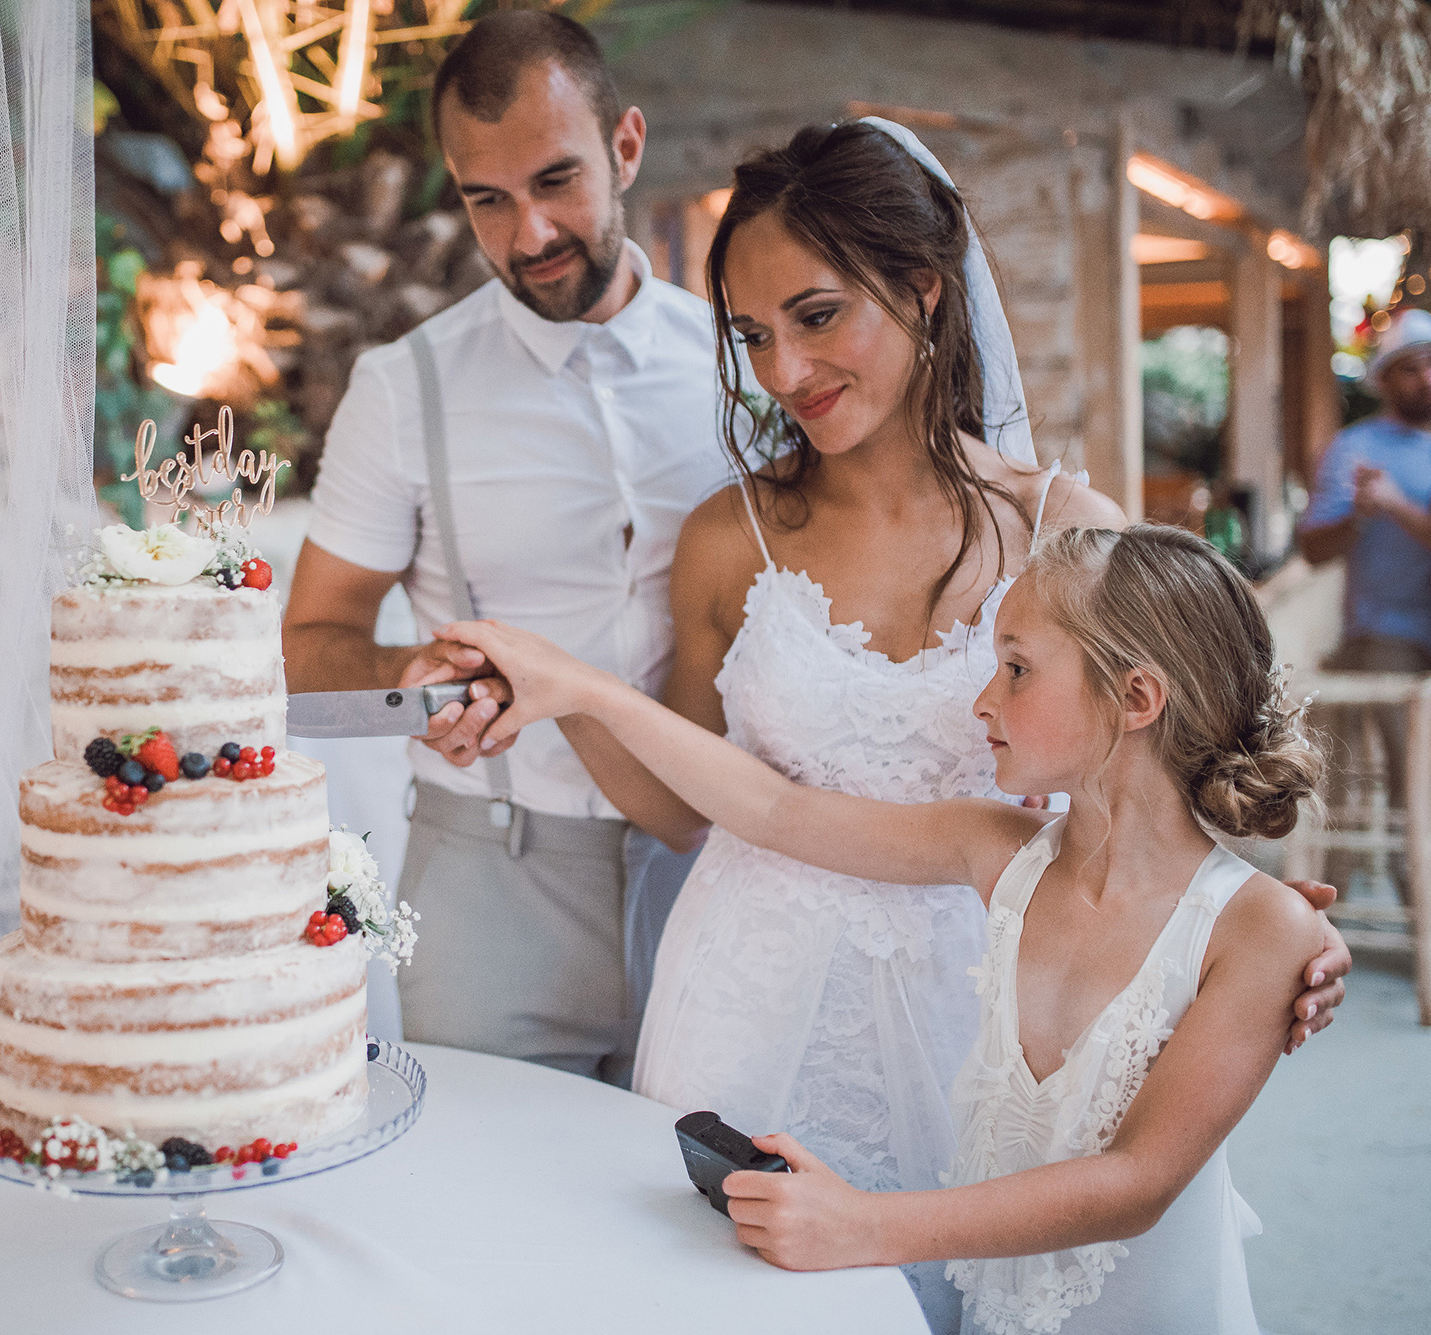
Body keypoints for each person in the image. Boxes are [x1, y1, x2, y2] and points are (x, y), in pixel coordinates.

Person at [443, 121, 1350, 1328]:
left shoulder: (1066, 529)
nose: (781, 373)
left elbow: (1151, 789)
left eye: (816, 318)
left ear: (922, 289)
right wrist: (564, 696)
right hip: (749, 991)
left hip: (988, 1003)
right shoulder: (727, 538)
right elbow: (693, 810)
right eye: (752, 337)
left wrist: (1270, 933)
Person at [439, 523, 1322, 1335]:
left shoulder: (1260, 930)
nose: (982, 700)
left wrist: (863, 1224)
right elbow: (774, 807)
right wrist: (584, 691)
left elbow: (1136, 1182)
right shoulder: (997, 849)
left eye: (1015, 667)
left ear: (1136, 696)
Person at [282, 11, 723, 1084]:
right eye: (487, 199)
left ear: (624, 146)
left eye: (555, 182)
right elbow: (310, 656)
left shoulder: (738, 367)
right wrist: (403, 675)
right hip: (493, 889)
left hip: (720, 883)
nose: (527, 235)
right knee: (489, 1225)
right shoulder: (403, 390)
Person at [1297, 306, 1431, 892]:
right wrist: (1357, 512)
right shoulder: (1355, 448)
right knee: (1415, 779)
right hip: (1388, 637)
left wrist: (1399, 507)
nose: (1425, 377)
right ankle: (1408, 906)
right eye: (1410, 367)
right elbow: (1313, 548)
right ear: (1385, 379)